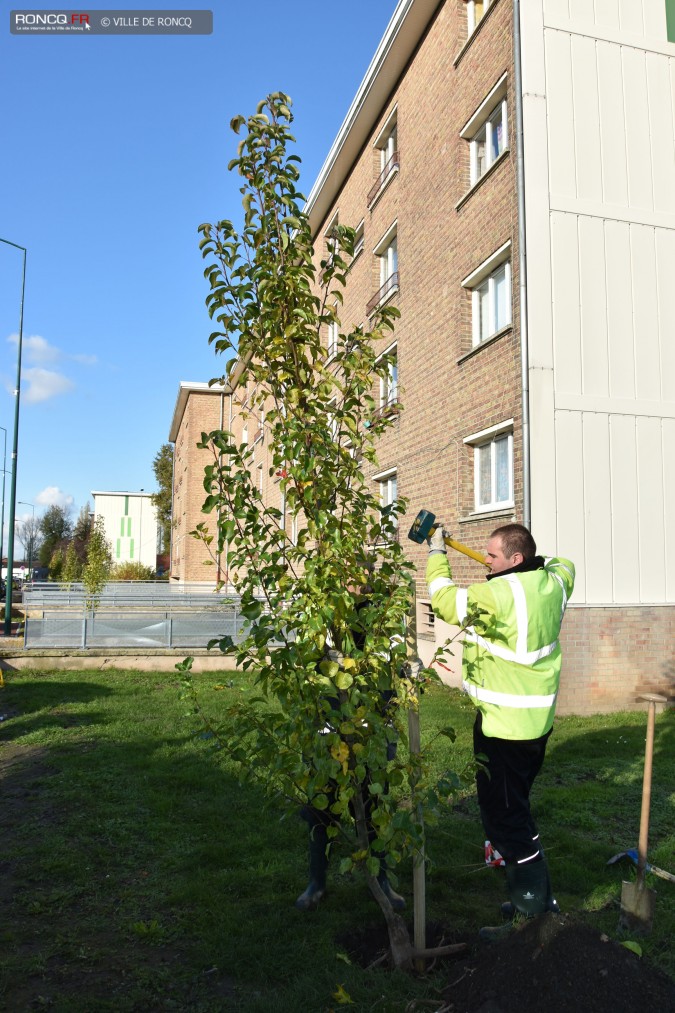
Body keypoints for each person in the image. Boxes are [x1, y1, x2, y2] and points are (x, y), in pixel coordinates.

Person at [426, 522, 575, 938]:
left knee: (508, 820)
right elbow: (565, 565)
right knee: (516, 809)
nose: (485, 562)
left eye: (492, 556)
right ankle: (529, 897)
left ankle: (533, 914)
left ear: (515, 560)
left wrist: (438, 552)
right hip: (534, 725)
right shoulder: (555, 584)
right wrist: (529, 567)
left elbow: (443, 599)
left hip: (504, 730)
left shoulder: (496, 596)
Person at [295, 590, 406, 914]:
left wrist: (408, 671)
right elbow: (307, 672)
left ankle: (381, 881)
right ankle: (317, 882)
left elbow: (393, 672)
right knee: (320, 814)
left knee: (374, 813)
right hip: (328, 738)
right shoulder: (321, 625)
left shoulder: (381, 626)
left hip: (371, 739)